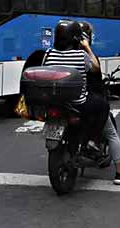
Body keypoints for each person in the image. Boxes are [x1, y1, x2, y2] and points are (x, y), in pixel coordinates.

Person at [42, 20, 109, 156]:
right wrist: (87, 47)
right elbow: (95, 68)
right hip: (77, 103)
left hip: (54, 101)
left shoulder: (48, 53)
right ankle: (92, 141)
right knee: (103, 105)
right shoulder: (80, 55)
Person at [79, 21, 120, 185]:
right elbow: (95, 69)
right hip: (90, 100)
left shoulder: (59, 54)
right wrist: (87, 48)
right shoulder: (84, 56)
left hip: (67, 102)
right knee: (111, 134)